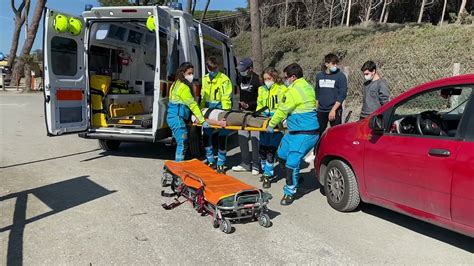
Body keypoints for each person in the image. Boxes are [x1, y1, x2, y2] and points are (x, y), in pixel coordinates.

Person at [266, 63, 319, 206]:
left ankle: (290, 191)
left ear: (293, 77)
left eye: (286, 77)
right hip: (294, 132)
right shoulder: (307, 86)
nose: (285, 80)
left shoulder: (294, 91)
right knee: (282, 155)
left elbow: (283, 110)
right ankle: (295, 177)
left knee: (292, 162)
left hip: (305, 133)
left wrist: (271, 124)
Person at [305, 53, 347, 163]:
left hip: (334, 110)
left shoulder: (340, 76)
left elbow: (342, 94)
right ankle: (315, 152)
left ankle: (336, 154)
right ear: (326, 64)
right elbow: (317, 93)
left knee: (336, 133)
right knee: (317, 132)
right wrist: (316, 108)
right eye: (333, 63)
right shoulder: (319, 76)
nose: (335, 66)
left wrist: (333, 109)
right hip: (321, 111)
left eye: (336, 63)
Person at [167, 62, 209, 161]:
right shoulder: (184, 87)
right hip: (177, 118)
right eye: (189, 73)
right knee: (182, 143)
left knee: (181, 143)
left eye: (192, 73)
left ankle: (179, 167)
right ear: (182, 73)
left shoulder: (175, 84)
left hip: (173, 117)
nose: (191, 76)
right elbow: (192, 104)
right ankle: (178, 168)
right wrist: (202, 120)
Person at [200, 56, 233, 173]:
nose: (212, 72)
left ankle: (221, 163)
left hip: (221, 108)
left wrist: (225, 114)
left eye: (214, 69)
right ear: (207, 68)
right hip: (208, 108)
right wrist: (200, 110)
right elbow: (203, 96)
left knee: (222, 136)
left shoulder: (224, 79)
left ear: (217, 67)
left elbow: (226, 98)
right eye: (210, 69)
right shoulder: (204, 79)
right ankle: (210, 160)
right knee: (206, 135)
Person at [231, 58, 262, 175]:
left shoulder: (257, 80)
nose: (241, 72)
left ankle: (255, 164)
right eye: (240, 70)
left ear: (250, 69)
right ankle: (245, 163)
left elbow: (261, 99)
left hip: (255, 113)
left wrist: (249, 104)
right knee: (242, 138)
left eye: (243, 70)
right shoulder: (240, 78)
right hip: (243, 113)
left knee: (255, 140)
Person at [257, 67, 285, 188]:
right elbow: (260, 104)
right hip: (264, 121)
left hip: (276, 121)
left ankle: (268, 175)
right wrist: (260, 114)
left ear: (274, 77)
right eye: (265, 79)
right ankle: (264, 171)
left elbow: (283, 106)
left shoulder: (281, 89)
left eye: (269, 78)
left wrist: (275, 118)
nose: (267, 81)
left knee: (271, 151)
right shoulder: (261, 90)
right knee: (262, 150)